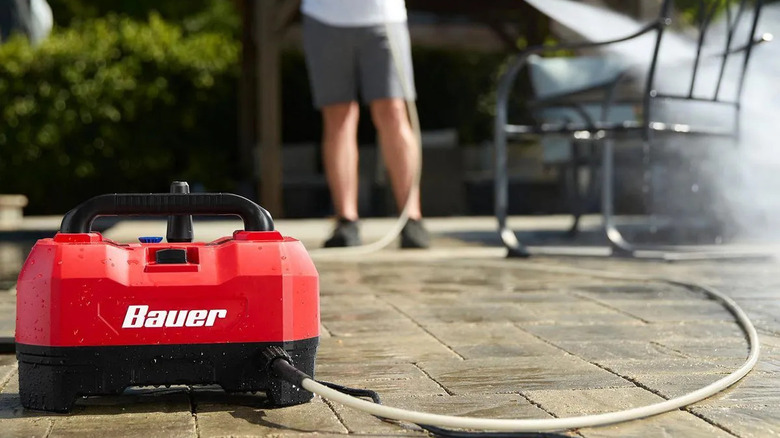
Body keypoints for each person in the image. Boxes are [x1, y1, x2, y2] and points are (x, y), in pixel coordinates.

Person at [301, 0, 429, 249]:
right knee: (339, 115)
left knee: (393, 111)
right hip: (324, 16)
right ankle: (346, 219)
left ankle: (412, 217)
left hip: (384, 17)